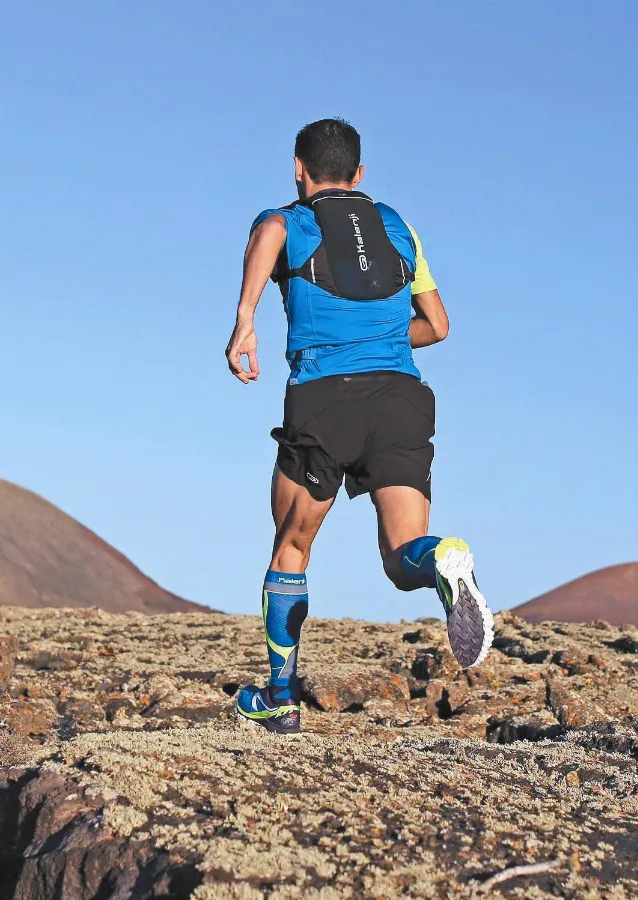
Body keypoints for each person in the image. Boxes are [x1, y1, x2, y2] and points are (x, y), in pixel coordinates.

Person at [225, 118, 493, 735]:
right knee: (403, 559)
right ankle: (445, 560)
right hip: (402, 397)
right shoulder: (399, 226)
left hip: (325, 400)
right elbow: (439, 326)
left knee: (291, 548)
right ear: (361, 175)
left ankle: (280, 699)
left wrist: (246, 317)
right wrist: (378, 339)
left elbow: (267, 229)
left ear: (299, 168)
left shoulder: (290, 219)